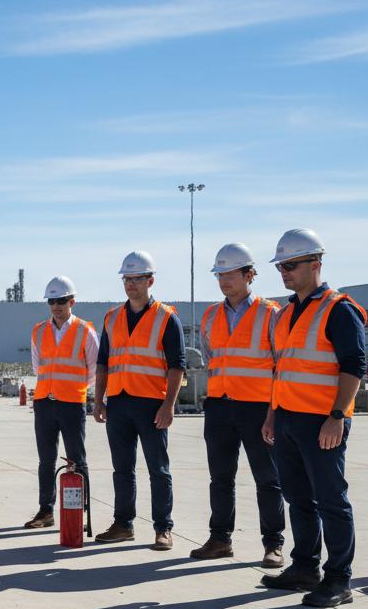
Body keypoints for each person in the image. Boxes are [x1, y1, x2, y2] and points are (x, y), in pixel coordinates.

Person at [260, 228, 367, 608]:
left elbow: (354, 367)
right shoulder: (286, 312)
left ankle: (340, 579)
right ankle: (305, 566)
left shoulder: (339, 310)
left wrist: (338, 416)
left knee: (331, 500)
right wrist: (273, 415)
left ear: (316, 263)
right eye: (281, 266)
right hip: (288, 419)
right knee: (298, 498)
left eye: (291, 265)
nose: (284, 272)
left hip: (323, 421)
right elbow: (281, 368)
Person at [189, 243, 284, 568]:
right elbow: (212, 357)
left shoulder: (270, 314)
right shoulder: (211, 315)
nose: (224, 280)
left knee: (268, 479)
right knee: (220, 478)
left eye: (230, 273)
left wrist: (273, 412)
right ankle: (220, 539)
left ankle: (273, 544)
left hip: (258, 408)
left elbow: (280, 366)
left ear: (249, 274)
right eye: (220, 274)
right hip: (219, 406)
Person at [93, 251, 187, 550]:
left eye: (136, 279)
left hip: (151, 404)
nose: (131, 284)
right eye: (127, 279)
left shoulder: (166, 318)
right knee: (122, 468)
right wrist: (98, 401)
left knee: (158, 469)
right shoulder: (112, 317)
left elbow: (177, 365)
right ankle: (124, 523)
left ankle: (163, 528)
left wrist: (169, 405)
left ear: (150, 280)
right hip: (119, 402)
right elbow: (103, 363)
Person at [25, 275, 98, 529]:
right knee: (46, 460)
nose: (56, 305)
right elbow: (38, 367)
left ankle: (81, 513)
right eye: (52, 300)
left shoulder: (84, 330)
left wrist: (72, 388)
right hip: (45, 401)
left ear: (72, 301)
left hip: (71, 403)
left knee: (76, 458)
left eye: (62, 300)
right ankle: (46, 511)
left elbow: (93, 369)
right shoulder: (39, 330)